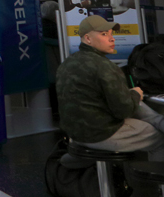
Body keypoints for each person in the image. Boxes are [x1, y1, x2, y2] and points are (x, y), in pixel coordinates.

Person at [58, 15, 164, 159]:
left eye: (111, 34)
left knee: (131, 97)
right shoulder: (105, 67)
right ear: (88, 39)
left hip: (75, 132)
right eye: (104, 34)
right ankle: (155, 181)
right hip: (101, 134)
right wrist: (135, 95)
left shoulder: (67, 63)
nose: (112, 38)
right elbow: (123, 110)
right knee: (158, 138)